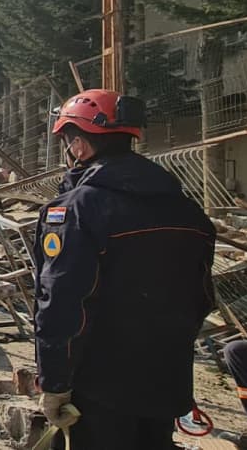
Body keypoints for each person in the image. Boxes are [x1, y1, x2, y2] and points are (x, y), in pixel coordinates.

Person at [35, 89, 216, 450]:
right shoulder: (188, 211)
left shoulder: (79, 210)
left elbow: (63, 302)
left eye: (69, 143)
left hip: (99, 390)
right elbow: (201, 297)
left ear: (79, 145)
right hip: (166, 380)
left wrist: (54, 383)